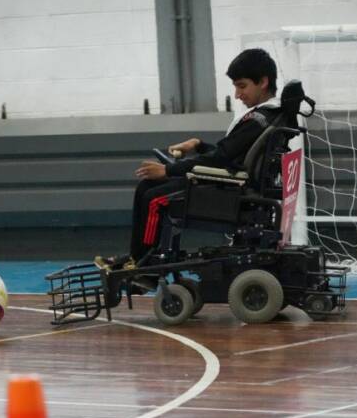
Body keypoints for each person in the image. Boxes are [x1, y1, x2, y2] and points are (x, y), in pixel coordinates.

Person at [101, 48, 282, 270]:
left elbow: (220, 158)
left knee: (154, 198)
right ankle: (135, 256)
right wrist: (197, 144)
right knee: (146, 187)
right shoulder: (269, 116)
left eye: (241, 86)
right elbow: (228, 154)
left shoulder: (257, 119)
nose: (237, 94)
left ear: (263, 82)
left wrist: (167, 171)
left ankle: (143, 268)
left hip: (230, 192)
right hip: (230, 183)